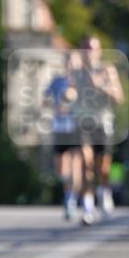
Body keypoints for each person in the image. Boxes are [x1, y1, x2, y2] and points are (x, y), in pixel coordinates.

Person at [69, 36, 124, 225]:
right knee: (86, 163)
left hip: (103, 123)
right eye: (85, 48)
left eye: (92, 48)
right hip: (82, 123)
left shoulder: (107, 70)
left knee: (103, 168)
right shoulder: (76, 72)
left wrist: (100, 86)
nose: (89, 52)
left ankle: (104, 191)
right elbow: (68, 92)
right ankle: (87, 207)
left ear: (99, 51)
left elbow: (118, 98)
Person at [43, 52, 81, 220]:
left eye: (73, 63)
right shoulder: (57, 81)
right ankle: (68, 191)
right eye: (68, 63)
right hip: (60, 127)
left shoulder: (83, 81)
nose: (70, 66)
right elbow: (45, 100)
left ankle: (71, 199)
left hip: (77, 127)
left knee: (77, 164)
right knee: (61, 167)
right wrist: (54, 105)